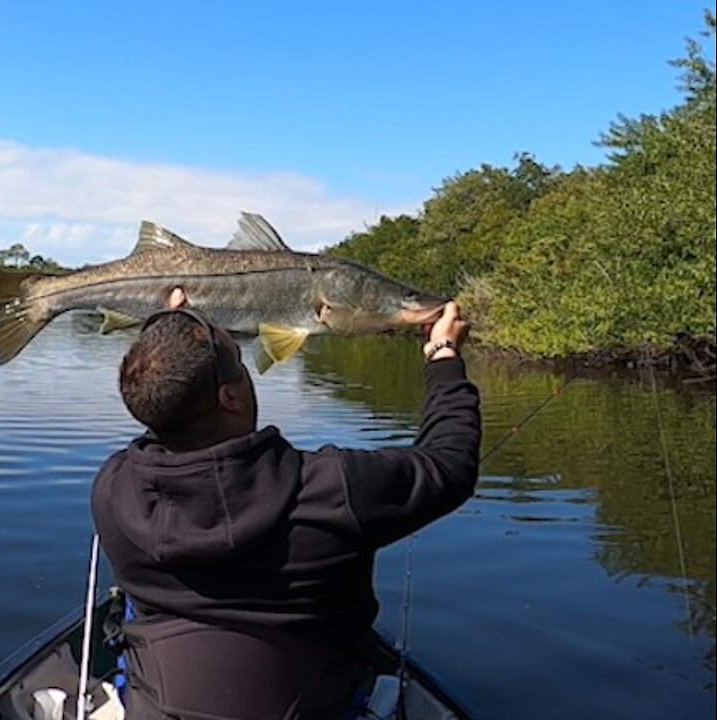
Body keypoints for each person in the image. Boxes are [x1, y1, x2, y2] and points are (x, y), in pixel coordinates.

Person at [90, 287, 481, 720]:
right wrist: (444, 353)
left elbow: (163, 409)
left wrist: (171, 344)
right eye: (240, 362)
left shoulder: (114, 490)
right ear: (230, 398)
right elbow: (449, 463)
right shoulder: (336, 489)